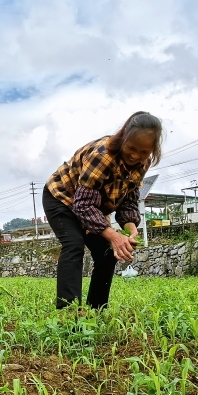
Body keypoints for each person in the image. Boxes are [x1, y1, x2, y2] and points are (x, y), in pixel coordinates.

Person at [43, 111, 164, 310]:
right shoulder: (103, 155)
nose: (135, 155)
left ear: (152, 150)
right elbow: (82, 205)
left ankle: (96, 311)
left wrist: (130, 228)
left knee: (107, 253)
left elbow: (128, 199)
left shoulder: (143, 163)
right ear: (123, 136)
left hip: (91, 207)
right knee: (74, 245)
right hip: (62, 197)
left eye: (143, 152)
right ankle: (68, 312)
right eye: (131, 148)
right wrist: (112, 235)